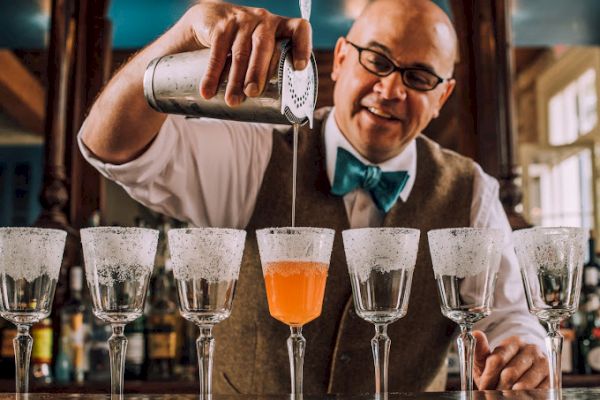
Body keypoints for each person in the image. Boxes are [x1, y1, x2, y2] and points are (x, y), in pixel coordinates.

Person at [79, 0, 550, 393]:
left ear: (441, 97)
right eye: (377, 60)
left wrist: (522, 354)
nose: (390, 90)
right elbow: (110, 145)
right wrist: (183, 33)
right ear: (341, 58)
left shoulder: (471, 192)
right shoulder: (258, 150)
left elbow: (510, 318)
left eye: (419, 77)